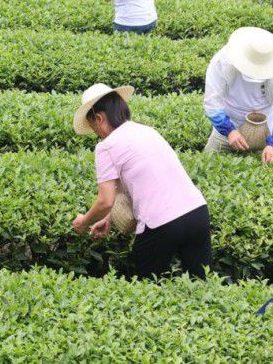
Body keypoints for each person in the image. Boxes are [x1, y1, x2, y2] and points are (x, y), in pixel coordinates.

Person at [71, 84, 212, 280]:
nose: (96, 133)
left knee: (150, 292)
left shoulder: (106, 146)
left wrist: (84, 223)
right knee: (200, 285)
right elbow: (139, 181)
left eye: (92, 125)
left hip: (161, 224)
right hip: (197, 213)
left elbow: (105, 200)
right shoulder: (147, 131)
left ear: (99, 118)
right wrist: (108, 219)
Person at [203, 27, 273, 166]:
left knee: (267, 174)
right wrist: (229, 131)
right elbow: (212, 102)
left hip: (265, 131)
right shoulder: (221, 62)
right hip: (226, 129)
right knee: (207, 164)